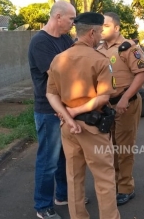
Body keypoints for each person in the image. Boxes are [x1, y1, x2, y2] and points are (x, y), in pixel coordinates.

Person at [46, 12, 121, 219]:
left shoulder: (58, 59)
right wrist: (75, 112)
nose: (100, 36)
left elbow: (50, 93)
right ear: (91, 32)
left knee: (74, 178)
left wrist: (68, 117)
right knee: (104, 179)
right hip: (92, 128)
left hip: (68, 129)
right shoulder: (100, 60)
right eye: (99, 32)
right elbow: (103, 97)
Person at [28, 0, 83, 219]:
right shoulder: (40, 42)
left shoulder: (66, 39)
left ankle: (62, 195)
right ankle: (42, 206)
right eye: (71, 19)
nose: (73, 23)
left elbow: (75, 65)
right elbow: (59, 74)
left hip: (64, 107)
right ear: (58, 17)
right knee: (48, 160)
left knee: (63, 157)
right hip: (48, 109)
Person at [97, 12, 144, 205]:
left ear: (116, 28)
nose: (102, 29)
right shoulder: (100, 49)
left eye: (106, 26)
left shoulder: (129, 48)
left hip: (126, 104)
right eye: (100, 26)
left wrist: (125, 98)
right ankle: (115, 183)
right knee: (110, 148)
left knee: (124, 148)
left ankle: (126, 188)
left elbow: (141, 74)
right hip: (107, 106)